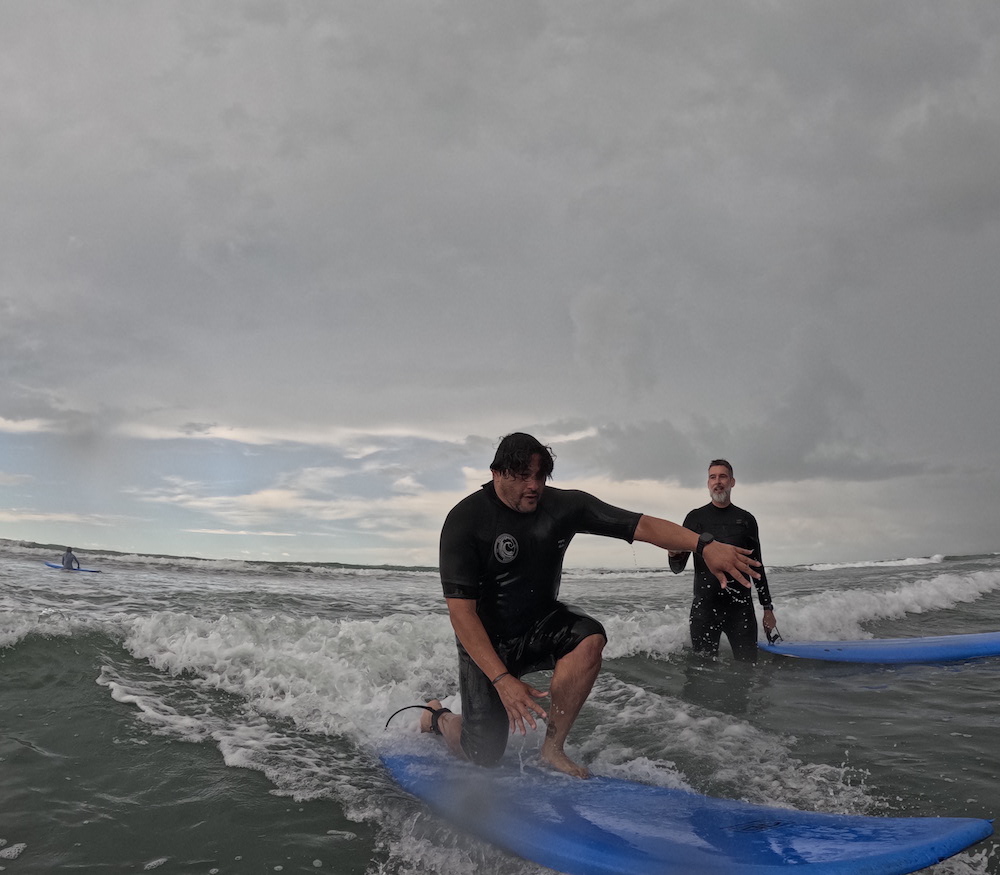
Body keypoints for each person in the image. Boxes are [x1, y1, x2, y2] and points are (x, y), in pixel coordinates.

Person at [411, 433, 759, 779]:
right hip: (486, 640)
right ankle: (437, 717)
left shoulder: (565, 506)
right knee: (482, 753)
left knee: (589, 637)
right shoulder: (466, 520)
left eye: (540, 476)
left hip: (539, 626)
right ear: (497, 473)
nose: (534, 486)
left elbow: (641, 525)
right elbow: (461, 613)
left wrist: (704, 545)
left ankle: (552, 748)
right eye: (523, 476)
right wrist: (502, 679)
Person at [669, 459, 775, 662]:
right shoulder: (694, 518)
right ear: (708, 483)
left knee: (748, 669)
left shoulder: (746, 520)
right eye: (713, 477)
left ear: (732, 482)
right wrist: (673, 554)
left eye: (723, 476)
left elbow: (757, 566)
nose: (717, 481)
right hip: (705, 610)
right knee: (703, 672)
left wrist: (767, 608)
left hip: (740, 609)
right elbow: (677, 567)